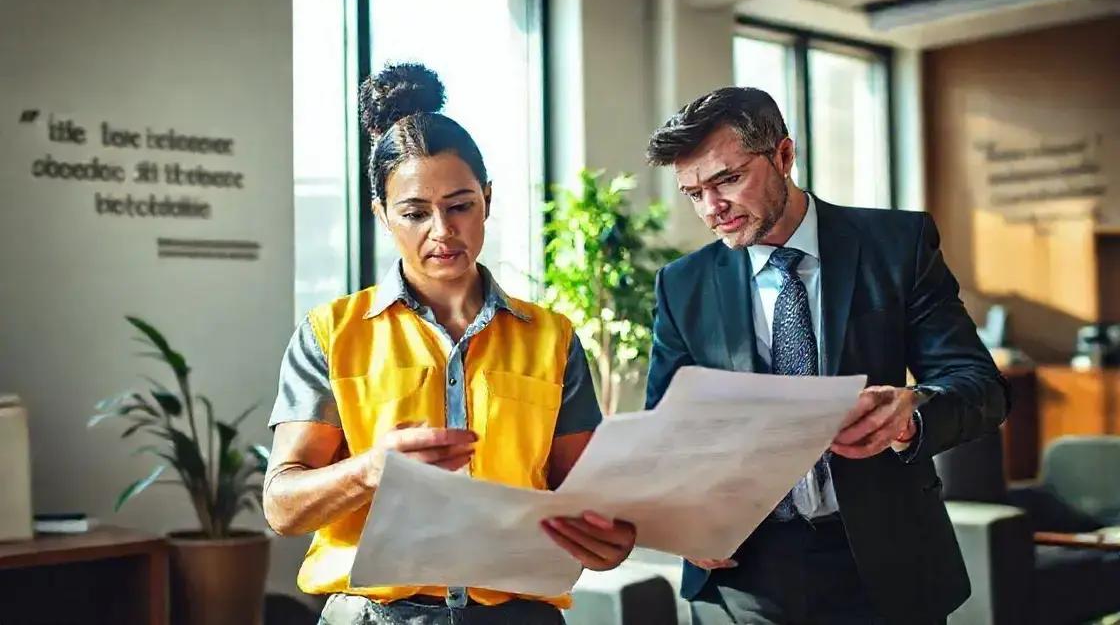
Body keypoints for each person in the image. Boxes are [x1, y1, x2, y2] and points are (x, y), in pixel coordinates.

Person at [262, 63, 635, 625]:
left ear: (487, 198)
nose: (442, 230)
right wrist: (369, 470)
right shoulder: (332, 332)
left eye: (461, 205)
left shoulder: (552, 338)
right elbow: (283, 507)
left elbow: (584, 500)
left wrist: (609, 539)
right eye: (414, 213)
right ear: (382, 216)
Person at [643, 87, 1009, 624]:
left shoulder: (896, 245)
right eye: (693, 193)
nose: (712, 209)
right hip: (744, 572)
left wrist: (911, 413)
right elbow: (665, 427)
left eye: (728, 179)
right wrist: (679, 514)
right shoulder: (682, 285)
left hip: (885, 562)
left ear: (784, 157)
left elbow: (980, 386)